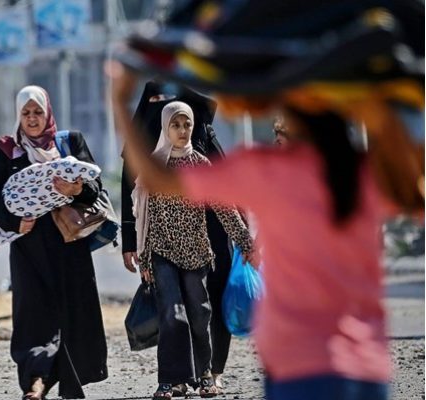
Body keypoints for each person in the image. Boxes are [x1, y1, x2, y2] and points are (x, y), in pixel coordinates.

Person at [110, 63, 403, 400]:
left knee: (202, 311)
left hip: (295, 364)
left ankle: (206, 373)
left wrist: (120, 102)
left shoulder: (265, 170)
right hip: (366, 365)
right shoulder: (368, 175)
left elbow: (155, 178)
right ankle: (184, 376)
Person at [0, 85, 108, 399]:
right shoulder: (9, 149)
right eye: (26, 113)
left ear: (48, 112)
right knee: (33, 313)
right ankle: (35, 381)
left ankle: (70, 381)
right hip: (29, 246)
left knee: (72, 311)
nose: (33, 118)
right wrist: (14, 222)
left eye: (38, 112)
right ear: (18, 116)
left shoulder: (69, 142)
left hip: (69, 244)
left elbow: (95, 187)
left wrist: (75, 191)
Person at [127, 101, 254, 398]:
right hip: (162, 252)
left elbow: (224, 209)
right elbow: (143, 218)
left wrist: (245, 241)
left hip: (196, 252)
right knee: (172, 314)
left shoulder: (201, 165)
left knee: (200, 314)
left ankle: (205, 375)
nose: (182, 131)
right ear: (165, 128)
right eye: (176, 125)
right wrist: (144, 258)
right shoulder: (154, 168)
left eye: (187, 125)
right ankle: (170, 381)